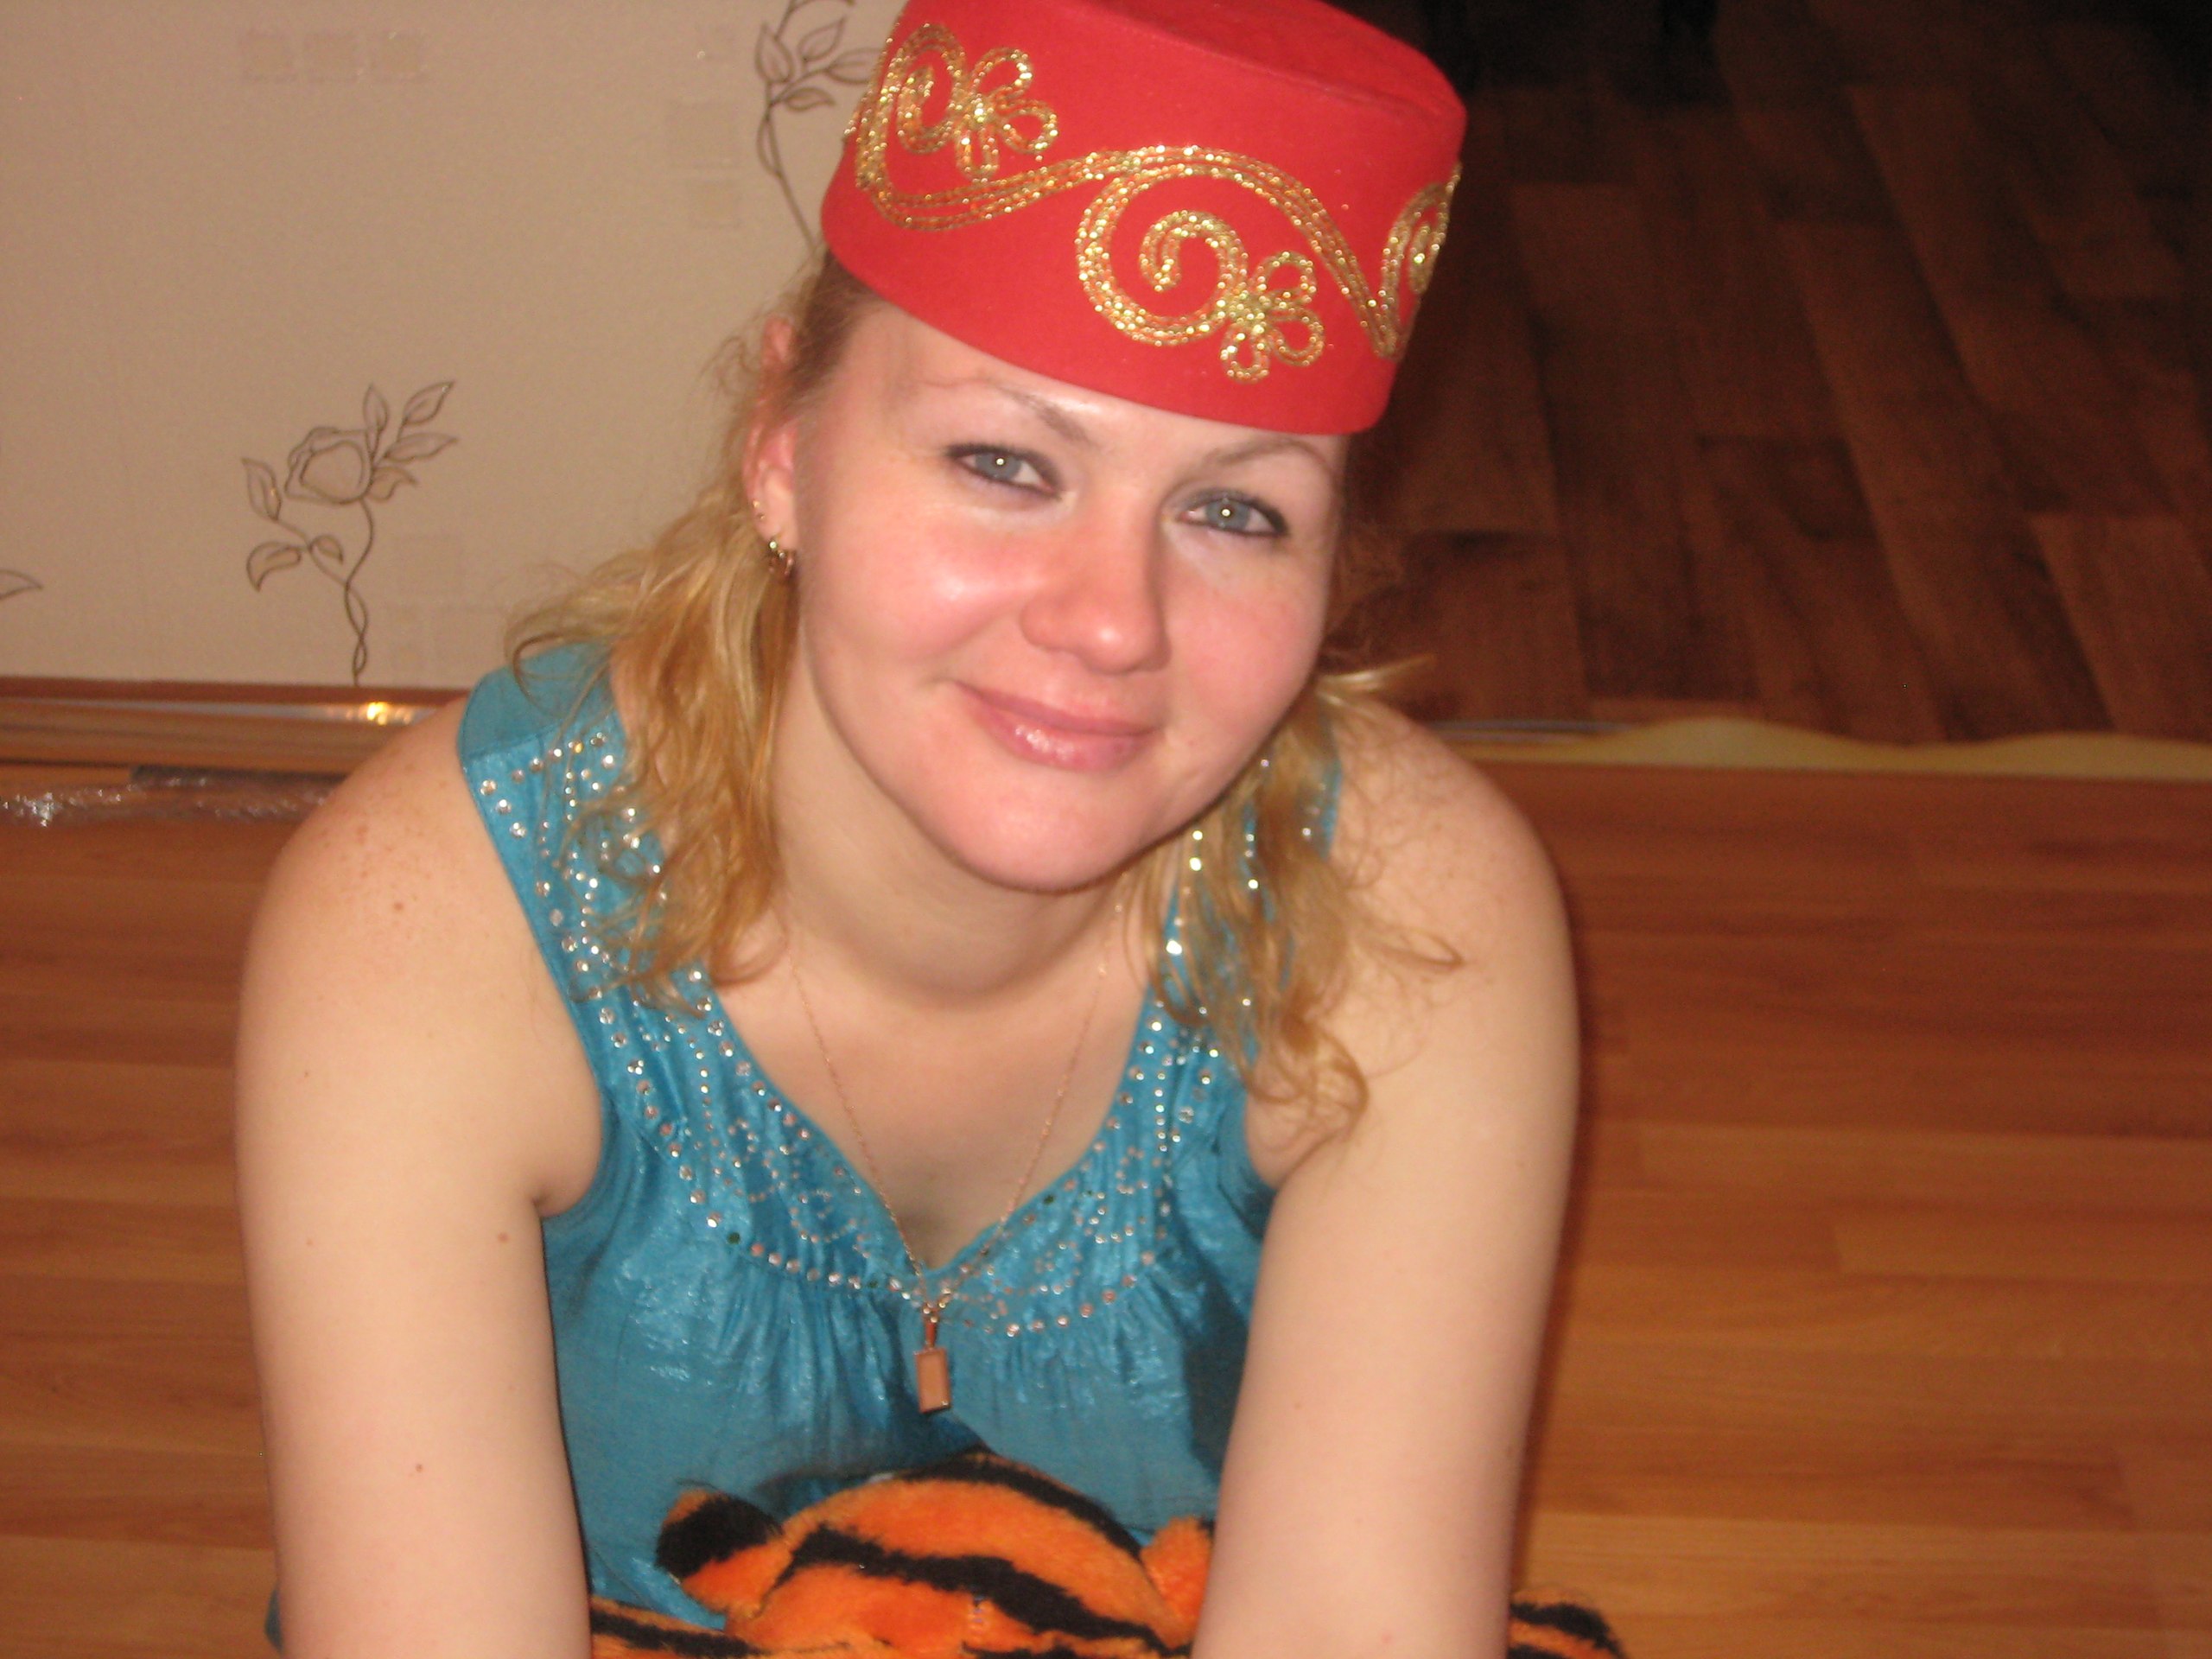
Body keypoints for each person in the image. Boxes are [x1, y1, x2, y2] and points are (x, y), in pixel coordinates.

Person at [233, 0, 1580, 1655]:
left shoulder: (1418, 920)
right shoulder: (438, 919)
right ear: (782, 444)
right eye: (1005, 463)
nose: (1112, 622)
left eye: (1235, 509)